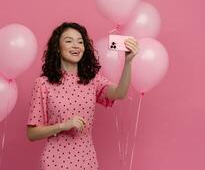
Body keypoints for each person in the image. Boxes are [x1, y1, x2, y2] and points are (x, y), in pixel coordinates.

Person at [26, 22, 138, 170]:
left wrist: (128, 62)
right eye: (68, 41)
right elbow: (31, 134)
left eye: (80, 42)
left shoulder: (92, 80)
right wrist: (63, 125)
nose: (76, 45)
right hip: (55, 163)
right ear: (58, 48)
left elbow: (120, 93)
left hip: (87, 161)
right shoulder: (43, 84)